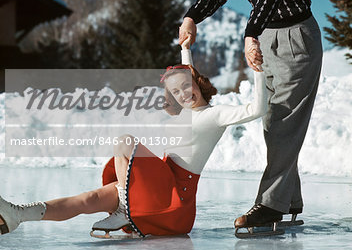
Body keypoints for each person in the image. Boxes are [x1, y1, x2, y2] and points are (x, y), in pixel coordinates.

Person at [0, 36, 268, 238]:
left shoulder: (214, 114)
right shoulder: (185, 110)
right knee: (90, 199)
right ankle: (19, 214)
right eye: (176, 91)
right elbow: (186, 71)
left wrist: (257, 70)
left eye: (187, 86)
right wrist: (186, 46)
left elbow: (257, 109)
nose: (184, 93)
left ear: (197, 83)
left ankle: (125, 210)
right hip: (159, 184)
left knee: (125, 141)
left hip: (176, 198)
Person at [179, 0, 323, 231]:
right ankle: (289, 200)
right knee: (273, 122)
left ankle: (270, 205)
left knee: (283, 123)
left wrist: (250, 33)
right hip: (268, 41)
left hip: (296, 38)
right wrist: (191, 18)